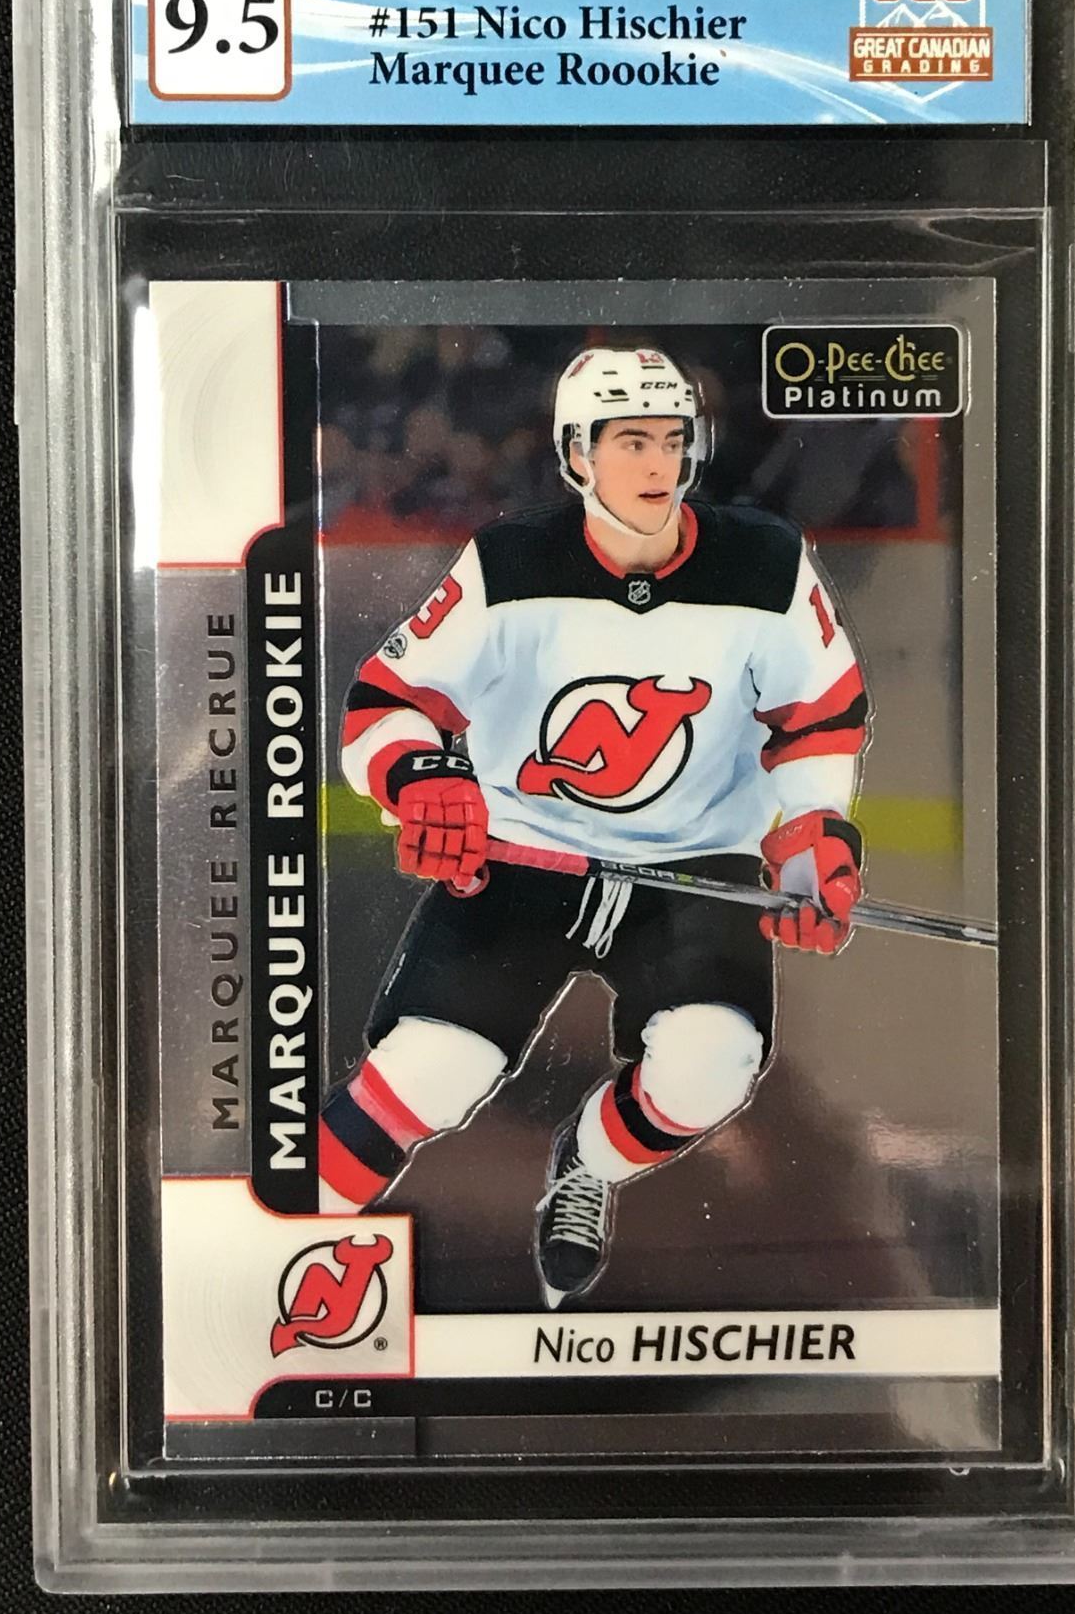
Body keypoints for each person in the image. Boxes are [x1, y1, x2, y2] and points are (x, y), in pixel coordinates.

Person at [320, 346, 871, 1307]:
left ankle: (588, 1165)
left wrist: (816, 831)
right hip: (525, 854)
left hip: (694, 867)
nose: (658, 464)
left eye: (672, 440)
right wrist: (419, 778)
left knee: (711, 1067)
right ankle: (281, 1225)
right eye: (631, 442)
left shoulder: (766, 561)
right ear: (578, 455)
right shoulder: (510, 562)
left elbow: (820, 716)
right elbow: (388, 702)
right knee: (432, 1069)